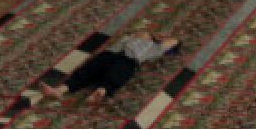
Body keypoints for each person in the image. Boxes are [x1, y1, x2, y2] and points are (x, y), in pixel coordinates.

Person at [39, 33, 179, 104]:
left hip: (129, 59)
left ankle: (101, 91)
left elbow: (173, 43)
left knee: (117, 74)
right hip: (110, 54)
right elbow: (140, 33)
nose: (165, 35)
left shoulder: (155, 48)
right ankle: (59, 90)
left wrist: (166, 39)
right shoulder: (142, 35)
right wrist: (150, 35)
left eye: (168, 37)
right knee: (88, 71)